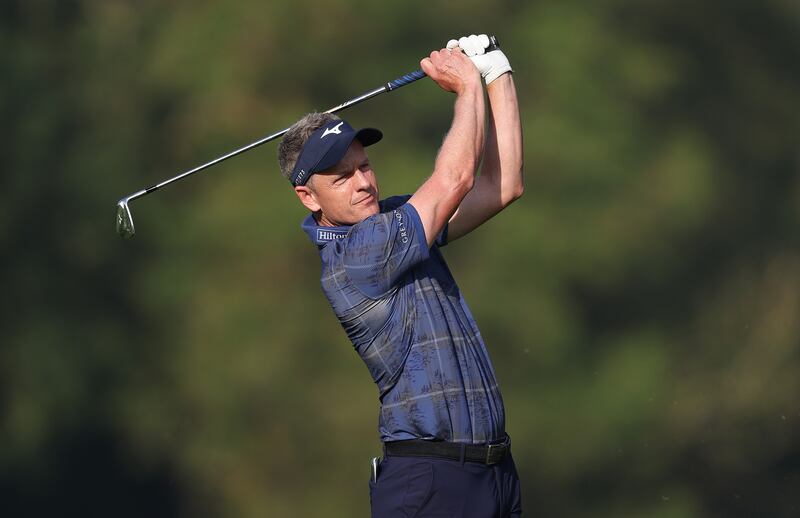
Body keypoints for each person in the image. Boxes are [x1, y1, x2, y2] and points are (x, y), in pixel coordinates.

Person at [277, 34, 523, 517]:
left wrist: (497, 73)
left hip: (494, 473)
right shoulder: (357, 256)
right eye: (342, 178)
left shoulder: (395, 221)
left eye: (364, 166)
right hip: (430, 481)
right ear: (308, 197)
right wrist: (467, 87)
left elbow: (504, 184)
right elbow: (456, 180)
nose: (364, 182)